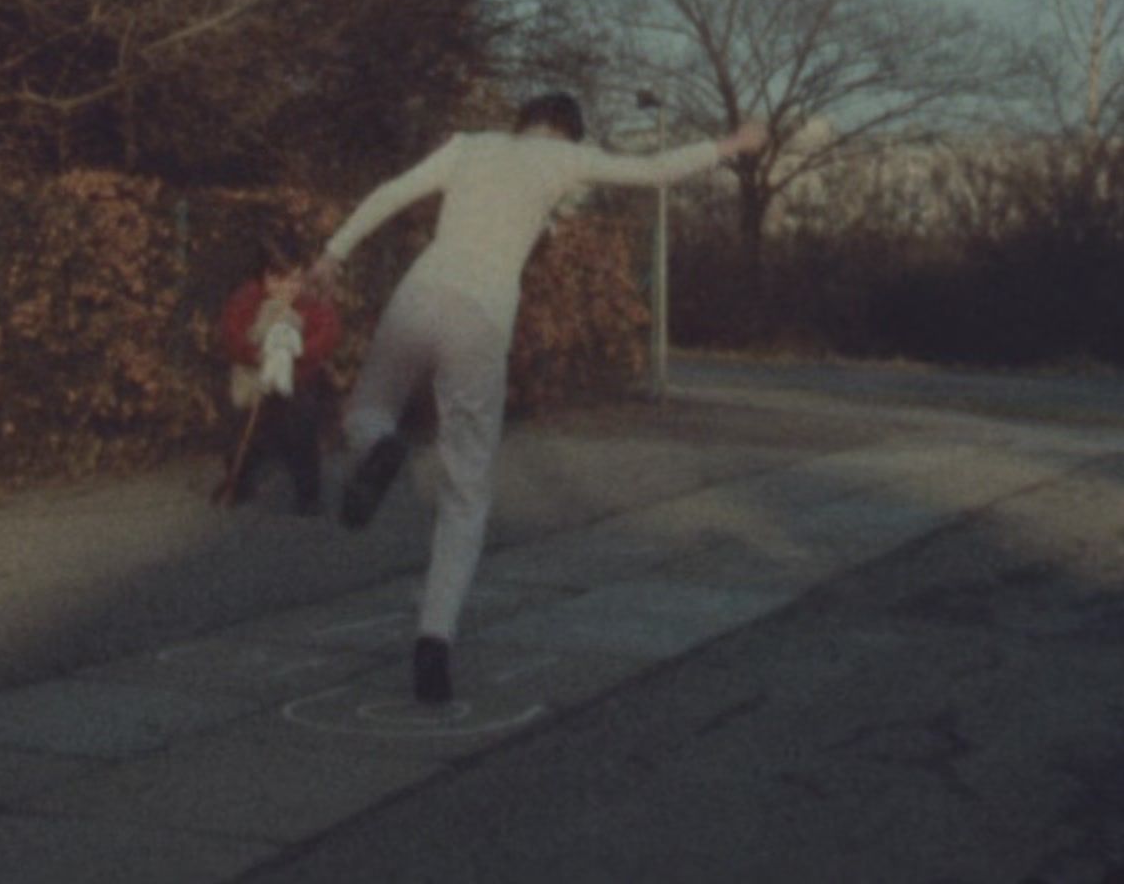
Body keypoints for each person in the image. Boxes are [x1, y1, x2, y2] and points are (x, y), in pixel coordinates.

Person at [307, 92, 766, 704]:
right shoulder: (566, 161)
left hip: (420, 294)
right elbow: (654, 171)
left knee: (368, 408)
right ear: (570, 135)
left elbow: (393, 192)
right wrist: (730, 145)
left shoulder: (470, 146)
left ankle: (380, 444)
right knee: (467, 490)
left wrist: (333, 253)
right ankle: (434, 642)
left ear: (522, 123)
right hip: (481, 320)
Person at [217, 234, 341, 515]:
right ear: (263, 277)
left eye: (294, 280)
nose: (287, 288)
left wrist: (298, 352)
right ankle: (238, 481)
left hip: (299, 377)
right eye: (277, 280)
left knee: (301, 428)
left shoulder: (310, 301)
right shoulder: (248, 297)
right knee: (242, 426)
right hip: (256, 376)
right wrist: (255, 353)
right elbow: (231, 333)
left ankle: (308, 493)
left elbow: (328, 332)